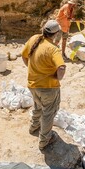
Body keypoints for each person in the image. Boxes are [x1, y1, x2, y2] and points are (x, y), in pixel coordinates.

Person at [21, 20, 65, 151]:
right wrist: (57, 77)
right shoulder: (53, 49)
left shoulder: (34, 39)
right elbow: (61, 68)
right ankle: (44, 141)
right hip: (48, 88)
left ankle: (33, 127)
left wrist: (32, 68)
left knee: (38, 106)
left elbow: (24, 56)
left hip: (33, 84)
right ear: (56, 34)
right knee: (48, 113)